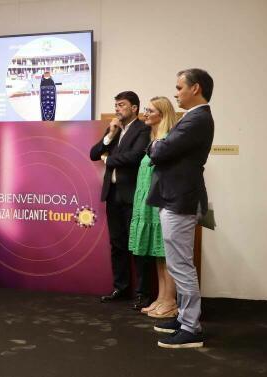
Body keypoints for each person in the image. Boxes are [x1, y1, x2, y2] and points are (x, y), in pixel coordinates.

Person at [147, 68, 214, 348]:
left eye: (179, 87)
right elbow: (161, 149)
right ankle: (185, 318)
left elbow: (159, 151)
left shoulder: (196, 120)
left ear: (195, 88)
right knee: (178, 263)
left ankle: (191, 327)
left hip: (180, 199)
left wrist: (157, 145)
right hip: (176, 197)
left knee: (182, 265)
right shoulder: (191, 119)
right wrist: (159, 146)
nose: (176, 93)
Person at [90, 91, 151, 309]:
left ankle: (144, 293)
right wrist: (109, 136)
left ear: (134, 108)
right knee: (117, 244)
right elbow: (93, 153)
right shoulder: (114, 130)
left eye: (122, 105)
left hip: (133, 194)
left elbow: (136, 156)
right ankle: (121, 288)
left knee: (137, 244)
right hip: (113, 195)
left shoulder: (143, 129)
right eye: (115, 105)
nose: (117, 109)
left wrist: (110, 159)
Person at [128, 97, 178, 318]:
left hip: (160, 203)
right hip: (147, 202)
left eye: (150, 110)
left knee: (166, 254)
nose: (145, 113)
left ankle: (170, 300)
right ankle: (161, 297)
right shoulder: (154, 138)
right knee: (158, 253)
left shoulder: (167, 140)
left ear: (162, 114)